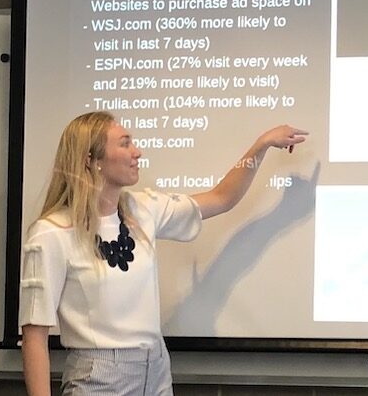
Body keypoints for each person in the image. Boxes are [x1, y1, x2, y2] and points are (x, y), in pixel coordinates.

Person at [19, 112, 306, 396]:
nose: (137, 152)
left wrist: (261, 145)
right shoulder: (51, 233)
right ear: (91, 160)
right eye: (125, 143)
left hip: (156, 368)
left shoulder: (143, 209)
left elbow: (222, 197)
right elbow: (34, 335)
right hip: (99, 376)